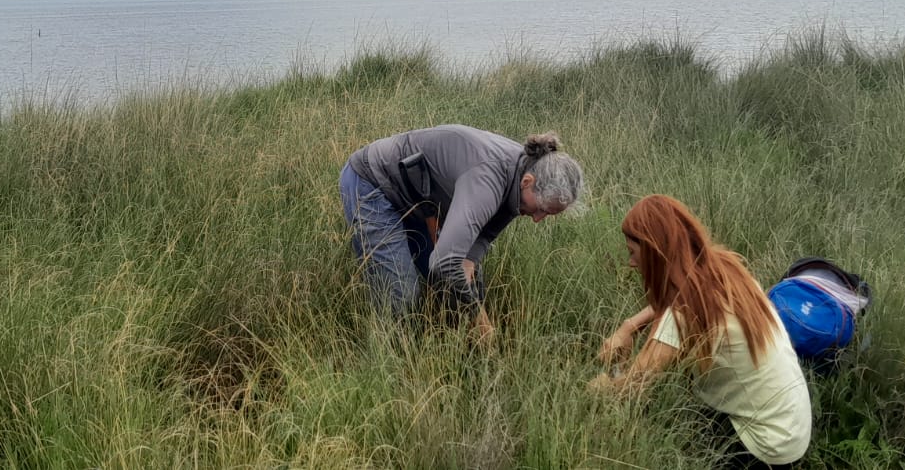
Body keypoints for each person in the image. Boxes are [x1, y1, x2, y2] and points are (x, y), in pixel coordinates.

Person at [590, 195, 811, 468]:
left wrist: (595, 387)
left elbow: (632, 388)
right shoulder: (725, 268)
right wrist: (630, 325)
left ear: (654, 253)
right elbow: (674, 300)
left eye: (633, 253)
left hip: (766, 449)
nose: (631, 263)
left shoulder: (683, 315)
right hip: (793, 426)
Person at [338, 124, 584, 337]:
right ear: (528, 182)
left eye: (549, 214)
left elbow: (470, 255)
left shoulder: (519, 182)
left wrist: (474, 310)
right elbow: (445, 263)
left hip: (418, 201)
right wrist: (480, 320)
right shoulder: (488, 180)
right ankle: (389, 364)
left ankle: (451, 348)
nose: (538, 219)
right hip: (372, 183)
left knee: (462, 285)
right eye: (542, 209)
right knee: (401, 293)